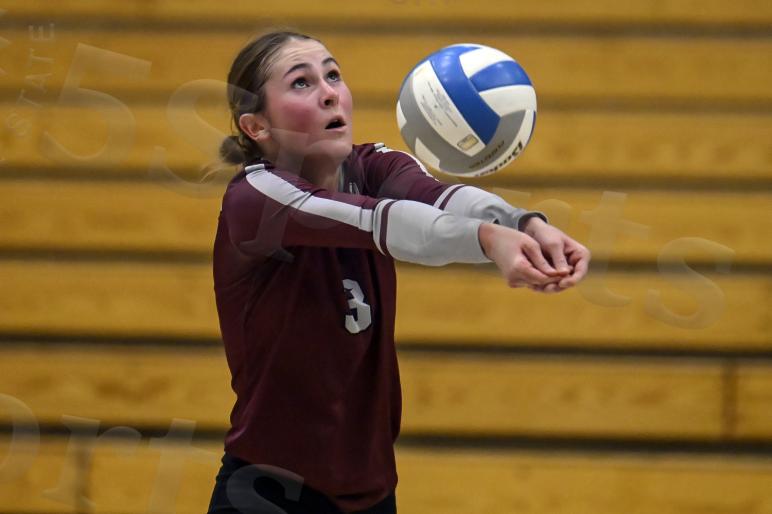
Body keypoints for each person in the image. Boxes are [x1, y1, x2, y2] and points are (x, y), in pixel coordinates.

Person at [207, 31, 590, 514]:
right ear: (257, 126)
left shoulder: (373, 164)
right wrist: (489, 241)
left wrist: (527, 224)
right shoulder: (256, 198)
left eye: (333, 75)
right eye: (301, 82)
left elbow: (442, 198)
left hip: (369, 493)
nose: (329, 92)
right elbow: (389, 223)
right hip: (269, 492)